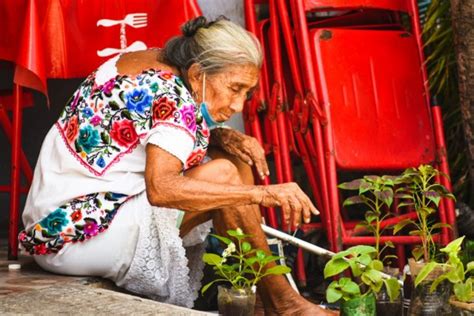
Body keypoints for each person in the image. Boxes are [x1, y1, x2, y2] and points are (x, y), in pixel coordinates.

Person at [19, 16, 335, 315]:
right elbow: (162, 189)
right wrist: (259, 194)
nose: (239, 105)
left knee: (235, 164)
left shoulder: (152, 62)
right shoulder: (174, 98)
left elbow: (147, 129)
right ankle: (284, 303)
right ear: (198, 74)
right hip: (77, 235)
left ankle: (257, 296)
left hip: (58, 219)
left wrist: (219, 138)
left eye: (248, 93)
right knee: (224, 176)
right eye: (234, 88)